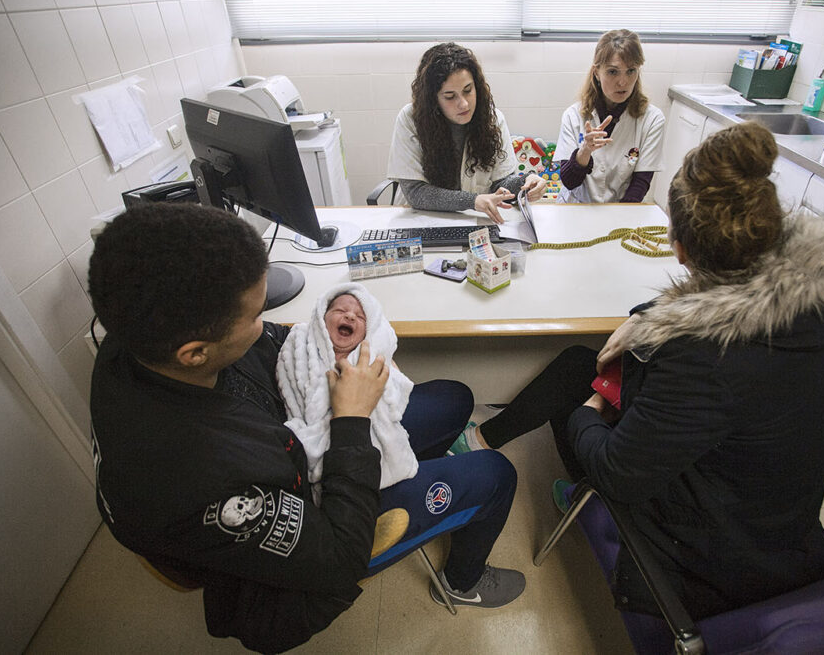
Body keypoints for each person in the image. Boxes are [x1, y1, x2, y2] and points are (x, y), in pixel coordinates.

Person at [451, 122, 824, 619]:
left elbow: (619, 473)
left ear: (680, 249)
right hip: (759, 503)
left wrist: (590, 406)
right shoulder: (804, 309)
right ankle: (486, 438)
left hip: (711, 544)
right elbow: (715, 308)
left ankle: (514, 457)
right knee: (583, 359)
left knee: (583, 386)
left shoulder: (706, 359)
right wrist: (645, 317)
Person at [88, 203, 524, 654]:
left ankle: (416, 475)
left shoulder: (137, 336)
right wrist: (352, 421)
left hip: (295, 436)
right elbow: (337, 559)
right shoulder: (199, 478)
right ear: (195, 352)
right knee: (495, 475)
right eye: (255, 315)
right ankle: (460, 581)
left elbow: (278, 342)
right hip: (314, 537)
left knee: (455, 399)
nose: (265, 324)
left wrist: (327, 346)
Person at [277, 283, 418, 489]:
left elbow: (394, 397)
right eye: (340, 310)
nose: (350, 316)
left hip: (369, 440)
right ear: (321, 321)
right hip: (341, 460)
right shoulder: (304, 347)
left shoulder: (365, 356)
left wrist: (389, 370)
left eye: (360, 317)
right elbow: (291, 381)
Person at [387, 42, 546, 224]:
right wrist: (473, 201)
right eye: (450, 96)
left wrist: (526, 183)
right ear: (432, 99)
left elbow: (500, 185)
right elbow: (416, 193)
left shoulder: (493, 120)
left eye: (468, 90)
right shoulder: (410, 119)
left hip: (474, 220)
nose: (463, 104)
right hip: (423, 219)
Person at [554, 29, 666, 203]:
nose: (623, 82)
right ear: (597, 73)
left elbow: (640, 185)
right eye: (613, 72)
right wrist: (584, 152)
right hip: (575, 208)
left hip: (622, 209)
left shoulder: (652, 119)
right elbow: (569, 182)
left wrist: (616, 223)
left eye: (631, 71)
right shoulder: (573, 116)